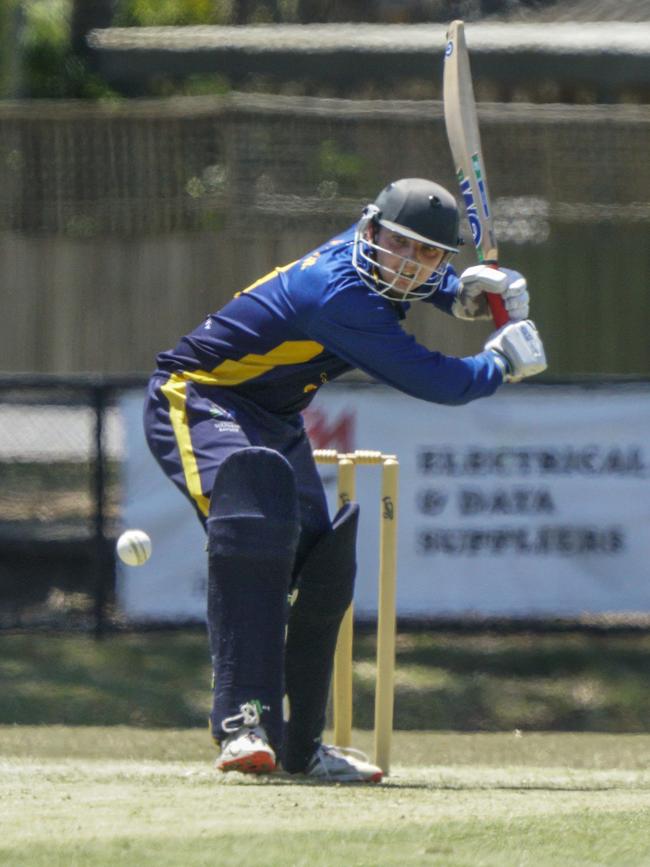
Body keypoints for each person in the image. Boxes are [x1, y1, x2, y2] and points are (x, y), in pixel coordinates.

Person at [143, 178, 546, 784]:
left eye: (429, 254)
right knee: (258, 523)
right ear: (370, 229)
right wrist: (499, 364)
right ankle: (242, 724)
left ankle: (301, 747)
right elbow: (436, 379)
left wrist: (457, 293)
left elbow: (406, 279)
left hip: (273, 416)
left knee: (324, 566)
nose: (408, 261)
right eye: (398, 244)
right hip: (198, 397)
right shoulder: (334, 294)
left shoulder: (379, 270)